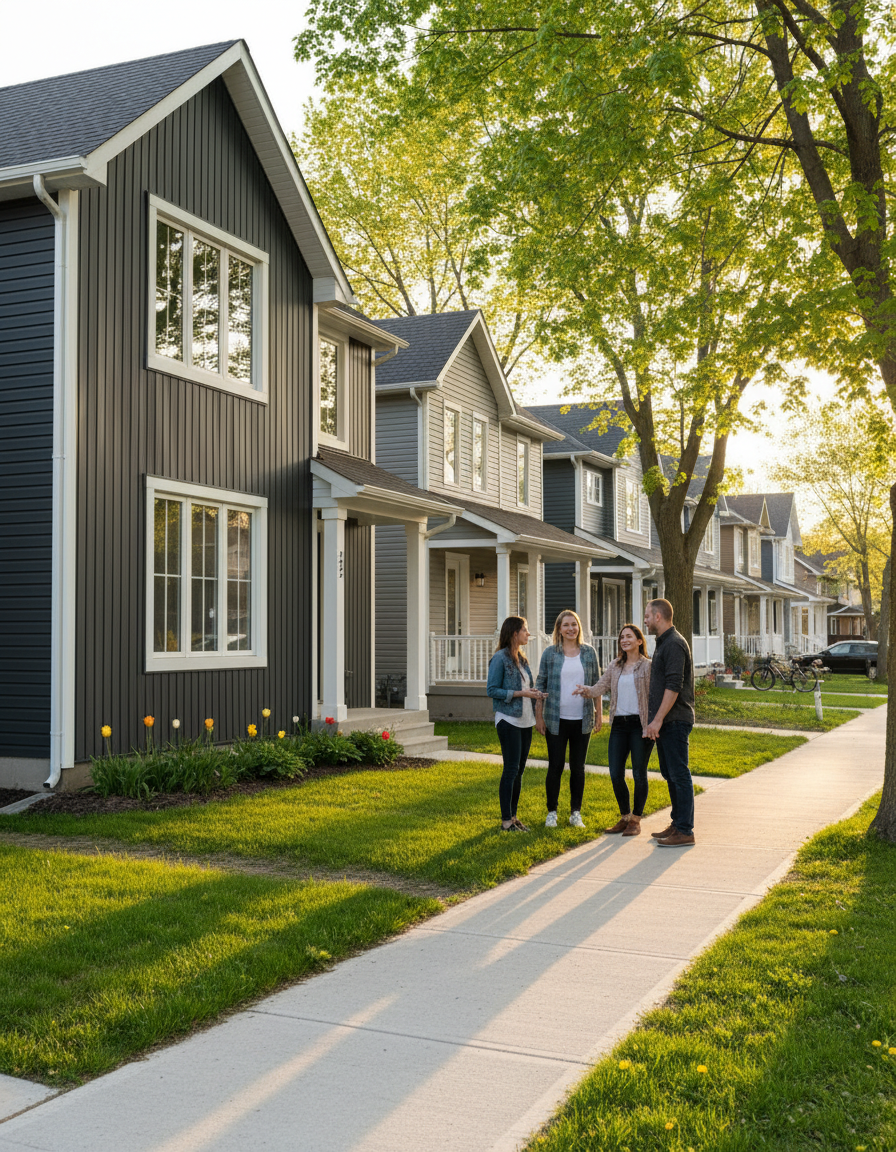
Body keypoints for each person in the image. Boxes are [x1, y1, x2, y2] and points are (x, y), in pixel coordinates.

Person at [573, 623, 653, 836]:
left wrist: (655, 723)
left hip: (640, 725)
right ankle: (625, 816)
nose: (624, 640)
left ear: (639, 641)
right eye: (622, 637)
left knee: (638, 773)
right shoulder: (615, 665)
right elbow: (600, 687)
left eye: (629, 636)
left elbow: (655, 696)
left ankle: (636, 819)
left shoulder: (648, 666)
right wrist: (586, 691)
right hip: (619, 725)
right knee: (615, 773)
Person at [535, 609, 600, 828]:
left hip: (582, 720)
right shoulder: (550, 654)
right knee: (555, 766)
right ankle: (551, 812)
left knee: (578, 767)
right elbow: (540, 686)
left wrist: (599, 715)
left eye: (574, 624)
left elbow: (596, 686)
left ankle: (575, 813)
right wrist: (539, 718)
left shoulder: (589, 653)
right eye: (566, 625)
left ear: (579, 627)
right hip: (555, 719)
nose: (571, 628)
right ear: (559, 629)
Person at [643, 598, 696, 847]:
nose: (645, 620)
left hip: (674, 720)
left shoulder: (673, 644)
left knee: (678, 774)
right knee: (670, 774)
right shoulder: (663, 643)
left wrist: (657, 720)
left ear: (658, 617)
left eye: (647, 615)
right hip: (666, 722)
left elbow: (673, 687)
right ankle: (677, 824)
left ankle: (685, 830)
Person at [486, 616, 546, 832]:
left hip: (525, 720)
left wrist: (536, 694)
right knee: (510, 769)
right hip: (508, 720)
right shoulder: (499, 659)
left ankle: (513, 816)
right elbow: (492, 690)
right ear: (514, 633)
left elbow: (527, 687)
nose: (528, 634)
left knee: (519, 770)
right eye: (525, 630)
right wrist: (521, 693)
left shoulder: (522, 659)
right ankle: (505, 821)